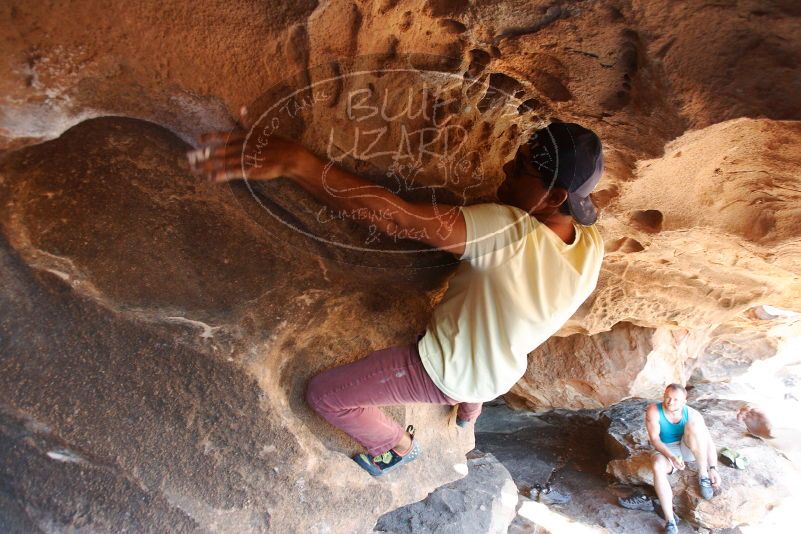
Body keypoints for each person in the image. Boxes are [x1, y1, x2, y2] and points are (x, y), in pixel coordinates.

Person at [189, 121, 605, 476]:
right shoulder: (590, 245)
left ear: (553, 197)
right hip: (502, 367)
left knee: (325, 396)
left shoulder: (507, 232)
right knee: (489, 352)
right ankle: (468, 412)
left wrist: (297, 163)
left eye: (521, 170)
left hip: (447, 372)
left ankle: (395, 447)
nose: (506, 168)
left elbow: (396, 218)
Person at [620, 384, 722, 534]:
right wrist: (671, 456)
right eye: (667, 397)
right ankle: (670, 521)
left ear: (685, 401)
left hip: (689, 448)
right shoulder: (654, 411)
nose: (670, 402)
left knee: (694, 426)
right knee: (657, 466)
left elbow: (708, 443)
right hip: (666, 448)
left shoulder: (693, 414)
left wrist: (713, 468)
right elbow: (655, 440)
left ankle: (703, 475)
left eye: (676, 399)